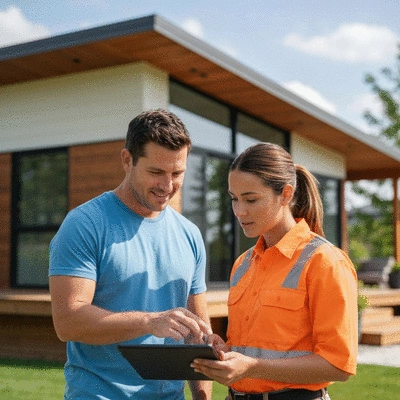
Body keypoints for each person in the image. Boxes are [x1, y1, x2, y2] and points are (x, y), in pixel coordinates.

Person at [49, 109, 213, 400]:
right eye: (155, 172)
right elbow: (68, 321)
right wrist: (149, 322)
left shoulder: (190, 234)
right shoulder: (85, 224)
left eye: (177, 173)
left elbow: (198, 335)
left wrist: (202, 396)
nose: (167, 186)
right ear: (127, 160)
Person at [191, 143, 358, 400]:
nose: (239, 211)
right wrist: (224, 351)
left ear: (286, 194)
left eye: (251, 199)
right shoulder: (243, 263)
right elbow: (255, 348)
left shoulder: (325, 262)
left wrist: (254, 367)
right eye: (234, 199)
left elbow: (338, 365)